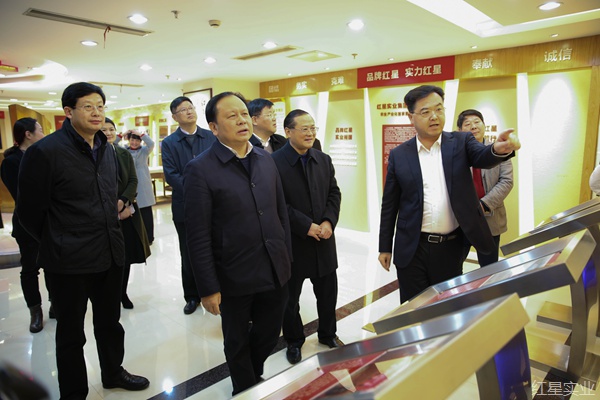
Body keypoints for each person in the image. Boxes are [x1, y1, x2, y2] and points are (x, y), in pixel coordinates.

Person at [17, 82, 149, 398]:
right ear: (68, 111)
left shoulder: (106, 148)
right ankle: (74, 392)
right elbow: (28, 212)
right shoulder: (45, 152)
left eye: (100, 106)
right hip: (68, 259)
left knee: (110, 323)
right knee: (71, 333)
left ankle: (113, 372)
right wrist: (58, 239)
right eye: (88, 106)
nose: (96, 112)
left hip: (109, 251)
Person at [183, 92, 292, 395]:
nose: (242, 120)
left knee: (269, 332)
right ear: (214, 127)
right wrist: (208, 287)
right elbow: (197, 234)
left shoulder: (265, 159)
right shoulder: (200, 168)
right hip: (233, 273)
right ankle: (244, 388)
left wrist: (287, 258)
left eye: (244, 113)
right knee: (236, 338)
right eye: (231, 116)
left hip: (274, 266)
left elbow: (280, 212)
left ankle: (250, 377)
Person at [378, 85, 521, 304]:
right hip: (412, 247)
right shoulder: (399, 155)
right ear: (411, 117)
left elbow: (482, 155)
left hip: (450, 246)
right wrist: (384, 246)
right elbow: (390, 204)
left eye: (439, 109)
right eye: (425, 112)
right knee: (413, 309)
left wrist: (497, 150)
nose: (434, 116)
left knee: (446, 308)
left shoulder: (461, 142)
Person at [272, 109, 343, 365]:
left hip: (323, 239)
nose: (310, 133)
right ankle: (294, 340)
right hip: (293, 242)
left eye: (313, 128)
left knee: (327, 293)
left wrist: (328, 221)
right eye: (304, 129)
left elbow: (334, 193)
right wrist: (305, 226)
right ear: (288, 132)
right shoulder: (274, 163)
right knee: (290, 299)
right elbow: (276, 203)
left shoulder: (322, 159)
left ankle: (328, 334)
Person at [162, 96, 216, 315]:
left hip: (214, 206)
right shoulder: (169, 143)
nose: (189, 111)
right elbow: (171, 175)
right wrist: (199, 190)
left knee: (216, 249)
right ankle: (192, 296)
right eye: (183, 109)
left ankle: (218, 291)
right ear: (175, 117)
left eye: (191, 107)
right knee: (189, 252)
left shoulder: (210, 136)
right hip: (185, 207)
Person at [0, 117, 50, 333]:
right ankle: (35, 311)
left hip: (50, 222)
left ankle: (56, 304)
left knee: (53, 266)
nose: (43, 134)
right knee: (30, 269)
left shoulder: (44, 155)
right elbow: (23, 195)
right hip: (27, 224)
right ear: (28, 134)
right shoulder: (11, 162)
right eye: (40, 130)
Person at [102, 118, 151, 308]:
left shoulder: (123, 153)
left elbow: (132, 180)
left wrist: (123, 202)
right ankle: (110, 294)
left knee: (126, 255)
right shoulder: (92, 154)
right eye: (104, 130)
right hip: (103, 214)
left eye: (111, 129)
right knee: (107, 257)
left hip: (126, 212)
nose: (108, 133)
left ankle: (122, 293)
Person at [457, 109, 514, 266]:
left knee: (489, 267)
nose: (473, 126)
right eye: (467, 124)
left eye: (477, 122)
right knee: (453, 266)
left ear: (484, 125)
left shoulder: (498, 149)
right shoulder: (456, 153)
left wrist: (484, 204)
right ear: (459, 130)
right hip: (461, 220)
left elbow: (507, 181)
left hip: (490, 218)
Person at [115, 129, 156, 244]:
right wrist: (122, 134)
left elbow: (151, 143)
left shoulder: (144, 151)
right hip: (130, 183)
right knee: (133, 213)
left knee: (146, 213)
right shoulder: (124, 150)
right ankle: (137, 238)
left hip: (143, 184)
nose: (134, 143)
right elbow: (114, 143)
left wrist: (141, 134)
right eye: (132, 140)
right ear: (129, 140)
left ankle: (149, 238)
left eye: (137, 140)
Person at [247, 98, 323, 152]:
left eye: (274, 115)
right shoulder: (246, 144)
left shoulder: (281, 141)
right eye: (270, 115)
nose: (274, 119)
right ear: (254, 120)